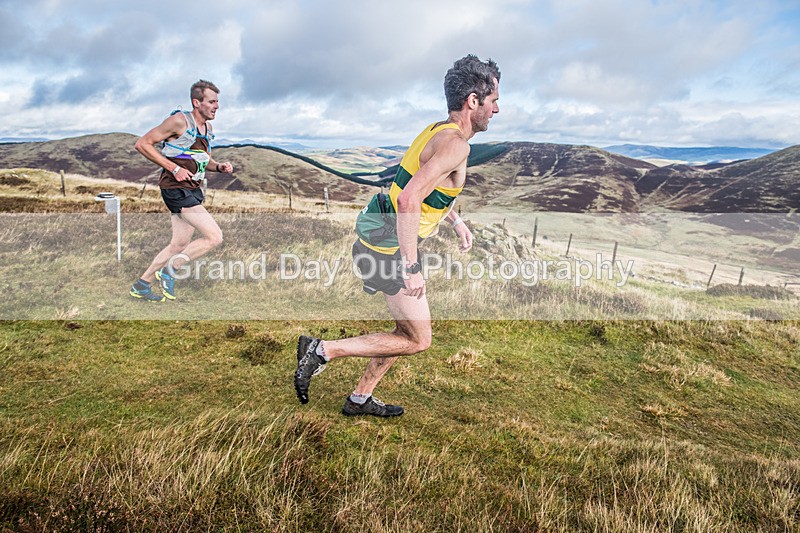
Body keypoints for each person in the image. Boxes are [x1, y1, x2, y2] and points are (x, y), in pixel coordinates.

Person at [294, 55, 500, 417]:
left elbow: (422, 188)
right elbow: (408, 199)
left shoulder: (437, 130)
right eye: (493, 100)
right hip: (389, 248)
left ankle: (359, 398)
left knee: (404, 330)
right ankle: (322, 350)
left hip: (381, 237)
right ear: (473, 100)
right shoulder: (456, 145)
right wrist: (411, 265)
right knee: (418, 339)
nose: (496, 109)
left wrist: (455, 221)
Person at [129, 80, 233, 302]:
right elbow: (143, 144)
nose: (216, 106)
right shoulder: (178, 121)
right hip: (175, 188)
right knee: (214, 237)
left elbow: (201, 158)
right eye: (211, 102)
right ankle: (170, 270)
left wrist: (218, 167)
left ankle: (141, 285)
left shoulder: (208, 129)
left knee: (178, 245)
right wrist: (174, 169)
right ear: (196, 102)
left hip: (192, 188)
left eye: (217, 102)